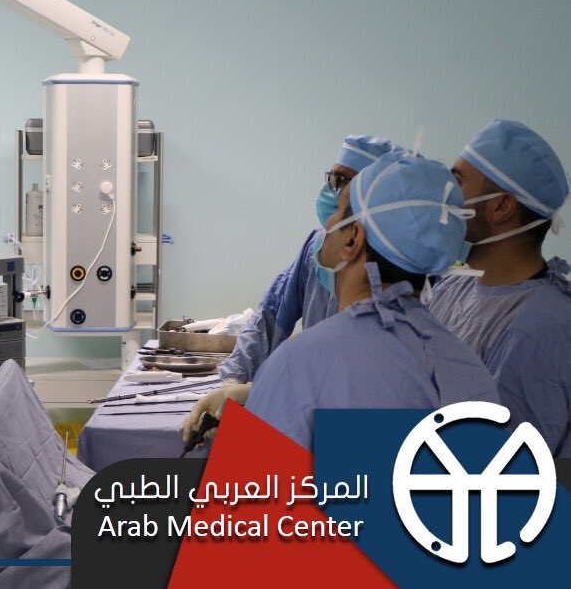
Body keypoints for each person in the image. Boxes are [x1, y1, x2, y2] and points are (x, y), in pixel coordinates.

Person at [208, 152, 499, 450]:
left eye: (338, 210)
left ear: (352, 239)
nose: (329, 221)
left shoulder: (298, 367)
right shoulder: (469, 371)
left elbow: (258, 481)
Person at [192, 136, 404, 426]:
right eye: (331, 178)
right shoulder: (318, 247)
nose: (330, 191)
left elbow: (360, 388)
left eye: (341, 181)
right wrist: (233, 380)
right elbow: (270, 315)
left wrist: (259, 397)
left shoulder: (393, 288)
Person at [429, 120, 571, 457]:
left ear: (501, 207)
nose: (445, 195)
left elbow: (494, 466)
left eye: (457, 181)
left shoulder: (538, 329)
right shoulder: (452, 289)